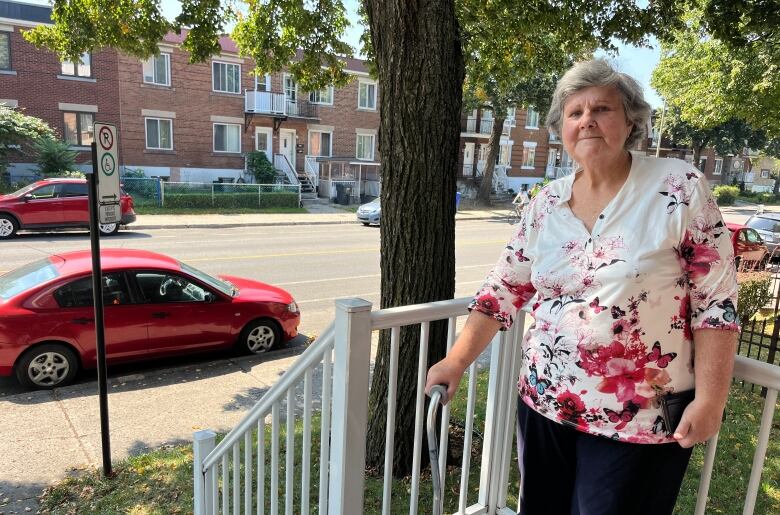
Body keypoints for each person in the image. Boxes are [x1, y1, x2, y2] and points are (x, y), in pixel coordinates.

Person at [425, 59, 738, 515]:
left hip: (637, 418)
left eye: (602, 109)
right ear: (561, 128)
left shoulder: (678, 187)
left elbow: (717, 304)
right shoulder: (545, 202)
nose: (587, 120)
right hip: (544, 403)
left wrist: (711, 400)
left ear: (630, 120)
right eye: (575, 113)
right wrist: (455, 360)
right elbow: (502, 290)